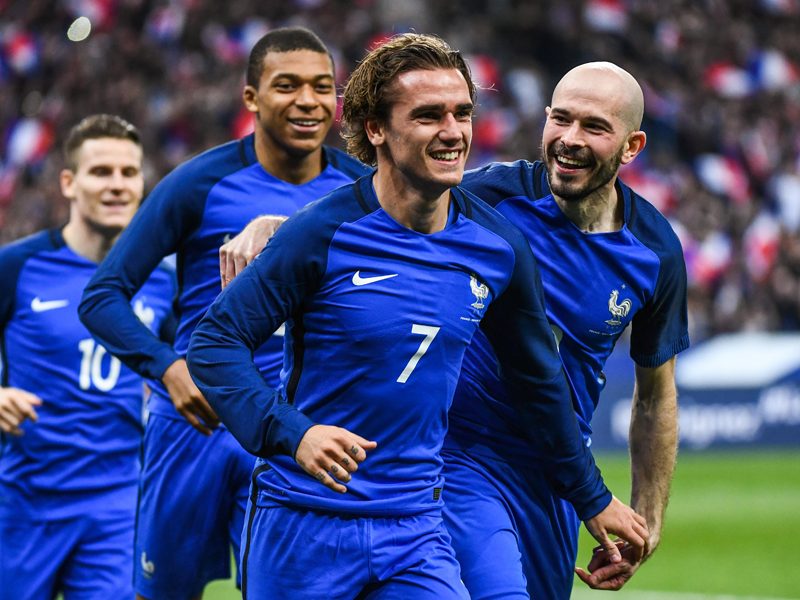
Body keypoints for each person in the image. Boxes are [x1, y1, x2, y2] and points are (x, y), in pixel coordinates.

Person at [186, 33, 648, 599]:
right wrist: (293, 433)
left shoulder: (497, 247)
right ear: (375, 129)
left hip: (416, 528)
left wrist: (592, 497)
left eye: (462, 113)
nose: (453, 132)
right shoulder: (322, 232)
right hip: (304, 520)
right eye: (428, 115)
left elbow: (540, 383)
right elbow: (215, 344)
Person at [78, 27, 370, 600]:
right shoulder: (199, 184)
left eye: (321, 87)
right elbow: (103, 296)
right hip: (196, 426)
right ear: (251, 97)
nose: (308, 101)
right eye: (287, 85)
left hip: (293, 430)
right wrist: (168, 368)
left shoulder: (360, 192)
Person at [441, 61, 689, 599]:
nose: (570, 139)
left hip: (559, 477)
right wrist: (283, 227)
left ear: (632, 146)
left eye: (594, 127)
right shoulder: (485, 198)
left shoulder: (655, 252)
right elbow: (378, 205)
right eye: (561, 119)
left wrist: (647, 522)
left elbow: (655, 397)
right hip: (461, 455)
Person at [0, 114, 175, 599]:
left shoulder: (163, 281)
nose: (117, 184)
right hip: (24, 501)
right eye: (101, 172)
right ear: (68, 183)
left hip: (117, 504)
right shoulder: (17, 267)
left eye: (128, 172)